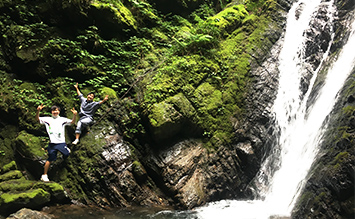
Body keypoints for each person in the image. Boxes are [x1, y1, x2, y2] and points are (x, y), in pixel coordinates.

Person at [36, 104, 77, 182]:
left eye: (57, 110)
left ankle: (65, 152)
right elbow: (37, 119)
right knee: (50, 159)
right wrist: (38, 111)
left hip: (61, 142)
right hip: (52, 143)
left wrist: (74, 115)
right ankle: (44, 175)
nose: (55, 112)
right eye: (54, 110)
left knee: (66, 154)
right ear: (51, 112)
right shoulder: (47, 120)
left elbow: (72, 122)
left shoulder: (62, 120)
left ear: (59, 111)